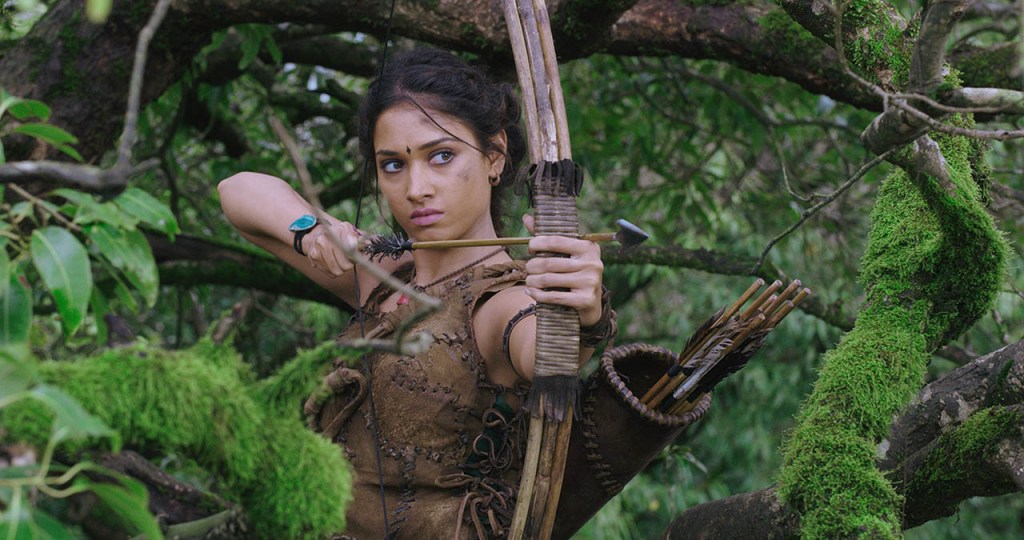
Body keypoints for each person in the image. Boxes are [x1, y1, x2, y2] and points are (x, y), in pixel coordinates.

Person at [219, 48, 616, 538]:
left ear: (494, 157)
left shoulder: (504, 303)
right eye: (393, 165)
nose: (416, 188)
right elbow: (237, 190)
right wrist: (313, 231)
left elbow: (547, 354)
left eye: (441, 156)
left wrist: (579, 305)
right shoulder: (386, 275)